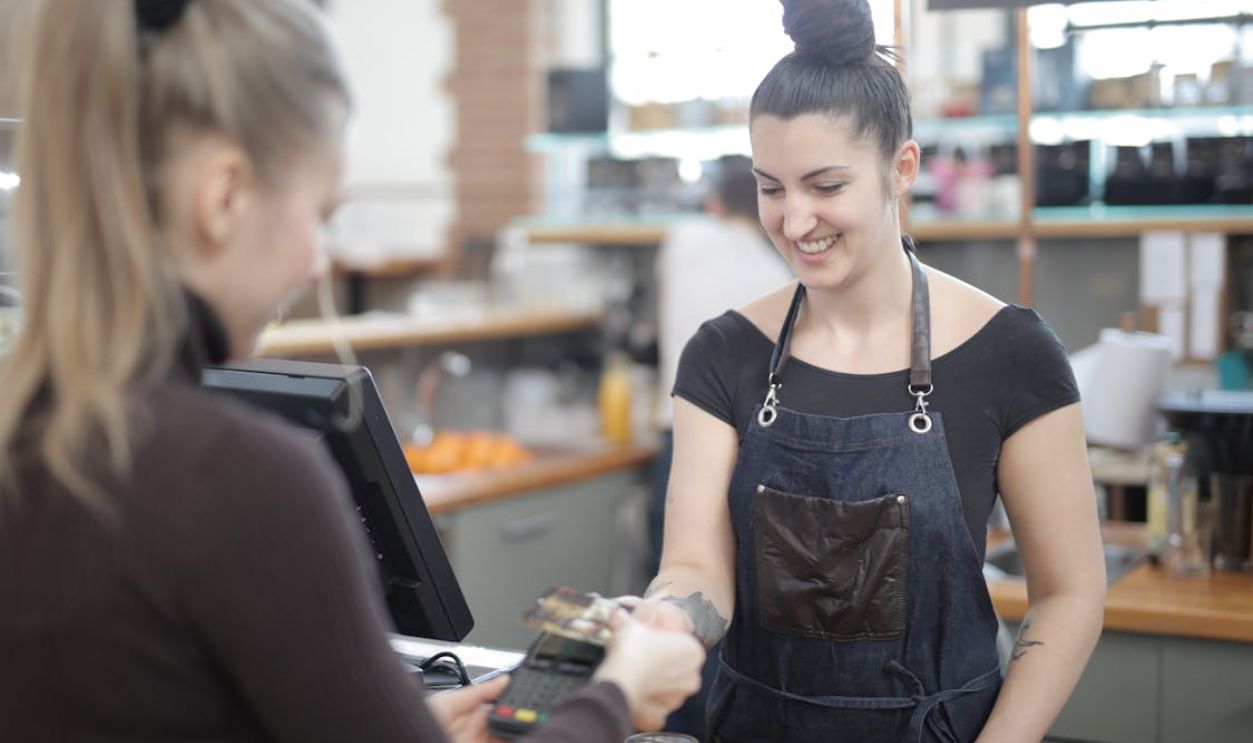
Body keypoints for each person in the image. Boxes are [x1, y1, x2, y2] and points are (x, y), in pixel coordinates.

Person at [0, 2, 703, 743]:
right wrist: (616, 695)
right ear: (225, 197)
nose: (317, 261)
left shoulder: (30, 431)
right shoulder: (244, 480)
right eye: (320, 212)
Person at [627, 1, 1107, 741]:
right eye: (770, 187)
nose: (793, 221)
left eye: (825, 186)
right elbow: (694, 562)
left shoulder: (1010, 354)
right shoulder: (722, 354)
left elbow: (1070, 592)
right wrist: (665, 618)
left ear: (900, 168)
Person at [647, 155, 793, 737]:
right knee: (739, 605)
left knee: (681, 595)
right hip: (762, 451)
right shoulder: (776, 270)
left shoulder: (682, 240)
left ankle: (678, 724)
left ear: (713, 203)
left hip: (677, 436)